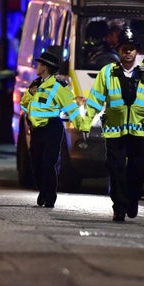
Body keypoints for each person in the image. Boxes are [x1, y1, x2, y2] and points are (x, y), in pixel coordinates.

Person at [80, 27, 144, 222]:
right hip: (114, 132)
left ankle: (133, 198)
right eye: (124, 48)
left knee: (138, 171)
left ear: (137, 51)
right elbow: (95, 100)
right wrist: (86, 123)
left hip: (138, 132)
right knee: (117, 171)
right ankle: (119, 208)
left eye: (131, 48)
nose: (128, 52)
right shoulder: (108, 72)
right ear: (118, 50)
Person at [20, 47, 90, 209]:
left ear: (44, 67)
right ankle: (43, 191)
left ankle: (49, 196)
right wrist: (30, 93)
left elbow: (71, 108)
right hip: (36, 130)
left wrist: (82, 125)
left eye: (39, 64)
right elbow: (24, 105)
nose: (37, 67)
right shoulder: (35, 84)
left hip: (52, 128)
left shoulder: (59, 87)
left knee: (48, 163)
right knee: (36, 165)